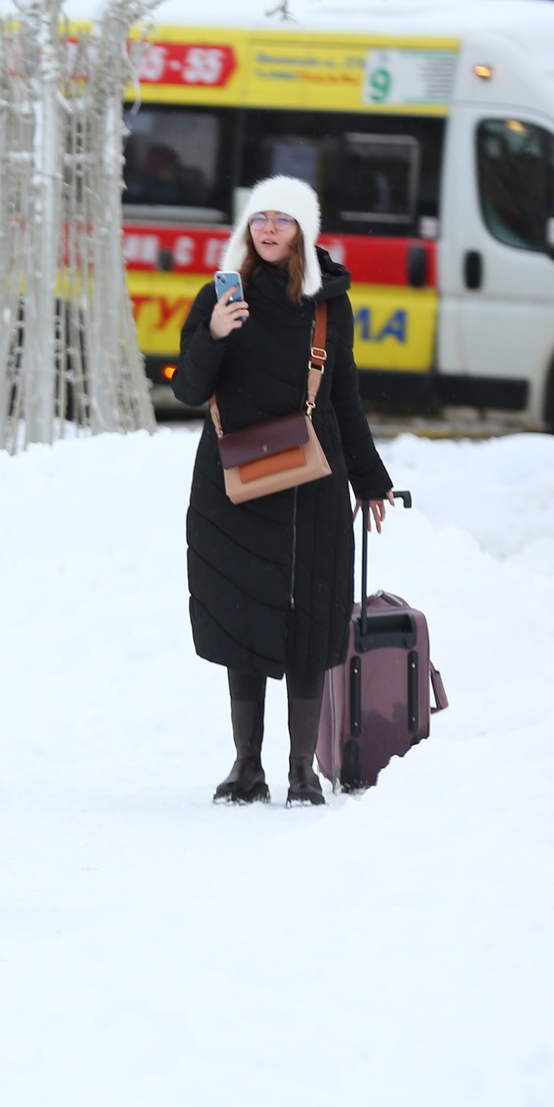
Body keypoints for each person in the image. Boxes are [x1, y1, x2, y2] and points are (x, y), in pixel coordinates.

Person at [172, 176, 395, 807]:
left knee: (310, 618)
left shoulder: (328, 303)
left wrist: (370, 479)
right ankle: (246, 766)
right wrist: (213, 333)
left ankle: (301, 770)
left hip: (313, 482)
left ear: (304, 231)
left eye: (284, 220)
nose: (268, 229)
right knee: (242, 614)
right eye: (259, 218)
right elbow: (188, 390)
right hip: (234, 481)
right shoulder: (221, 296)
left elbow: (344, 394)